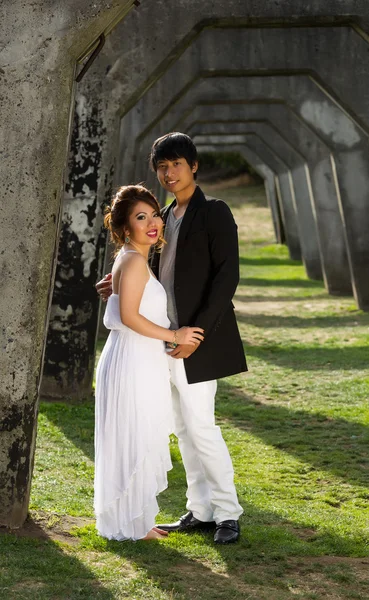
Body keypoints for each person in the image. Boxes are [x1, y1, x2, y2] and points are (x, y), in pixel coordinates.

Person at [96, 133, 247, 544]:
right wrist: (119, 283)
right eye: (161, 166)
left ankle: (228, 513)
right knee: (182, 428)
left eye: (176, 164)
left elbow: (226, 278)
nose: (168, 172)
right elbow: (151, 275)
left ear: (193, 166)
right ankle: (200, 510)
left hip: (196, 340)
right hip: (159, 343)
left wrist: (195, 335)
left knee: (202, 426)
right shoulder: (158, 216)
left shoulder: (214, 212)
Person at [94, 184, 204, 541]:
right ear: (126, 228)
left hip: (136, 358)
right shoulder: (134, 260)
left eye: (155, 214)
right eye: (141, 218)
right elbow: (129, 316)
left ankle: (135, 520)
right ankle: (130, 526)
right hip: (132, 360)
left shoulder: (133, 258)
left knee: (136, 438)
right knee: (132, 439)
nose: (153, 222)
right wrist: (177, 335)